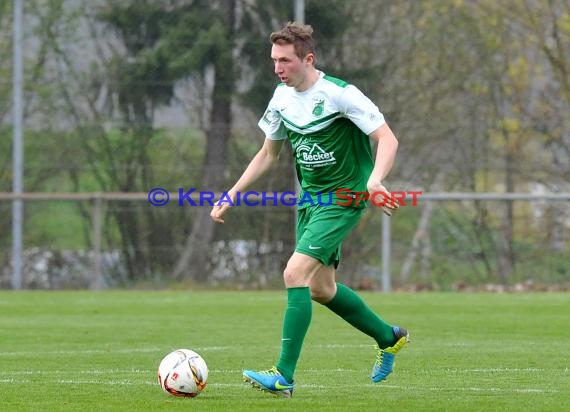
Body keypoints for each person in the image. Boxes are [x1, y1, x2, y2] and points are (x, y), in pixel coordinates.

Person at [210, 21, 409, 398]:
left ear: (308, 58)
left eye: (285, 60)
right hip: (312, 201)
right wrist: (233, 192)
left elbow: (386, 138)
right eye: (274, 60)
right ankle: (389, 337)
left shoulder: (340, 94)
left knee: (294, 272)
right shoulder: (281, 99)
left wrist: (375, 181)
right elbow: (268, 153)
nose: (278, 68)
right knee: (320, 288)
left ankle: (283, 375)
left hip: (344, 198)